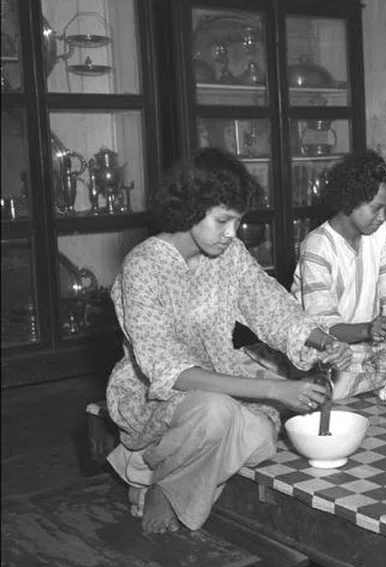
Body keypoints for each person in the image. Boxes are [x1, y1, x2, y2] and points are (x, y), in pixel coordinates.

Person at [105, 147, 352, 535]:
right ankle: (165, 488)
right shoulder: (143, 266)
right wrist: (273, 388)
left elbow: (269, 303)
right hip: (155, 394)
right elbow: (170, 371)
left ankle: (151, 472)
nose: (232, 234)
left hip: (219, 380)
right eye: (223, 220)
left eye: (237, 221)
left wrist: (321, 340)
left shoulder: (229, 254)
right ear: (189, 210)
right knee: (218, 415)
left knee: (261, 441)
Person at [291, 150, 386, 398]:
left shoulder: (382, 234)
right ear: (350, 201)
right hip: (324, 346)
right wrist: (366, 330)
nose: (382, 218)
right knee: (330, 388)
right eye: (376, 208)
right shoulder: (317, 246)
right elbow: (323, 325)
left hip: (365, 344)